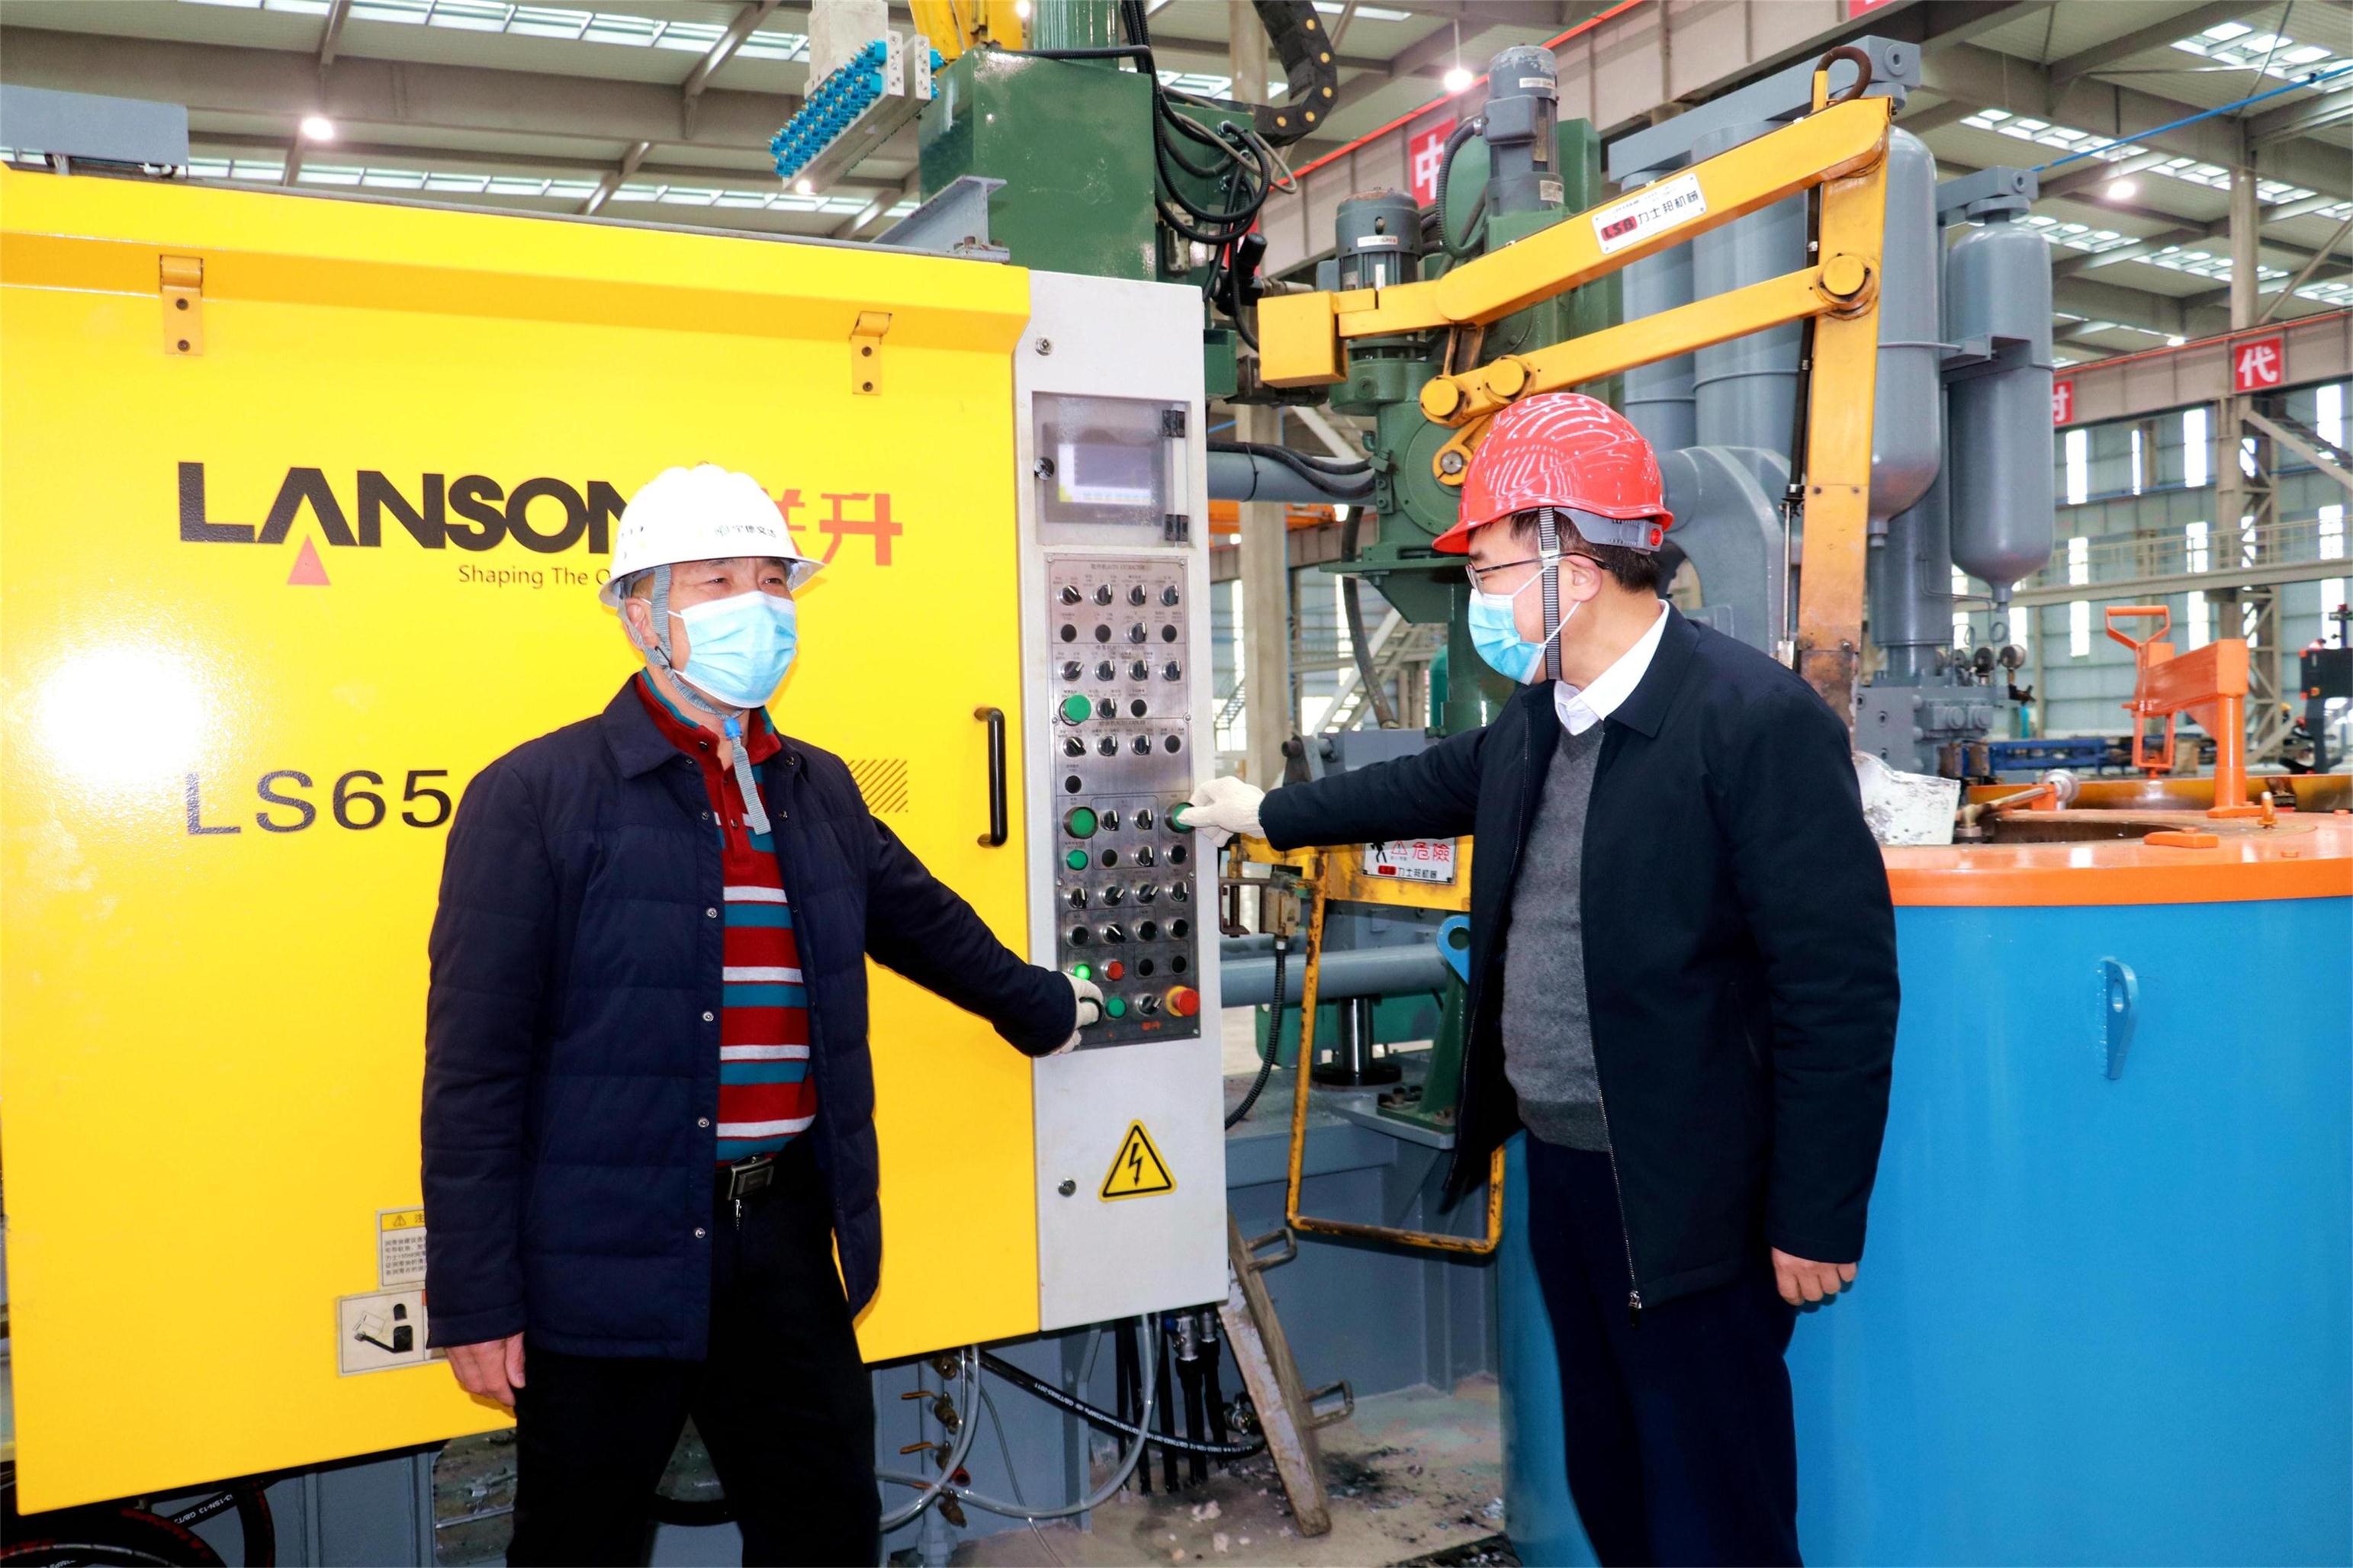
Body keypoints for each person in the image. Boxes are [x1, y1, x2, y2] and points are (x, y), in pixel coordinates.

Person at [1184, 394, 1898, 1566]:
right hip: (1564, 1169)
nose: (1479, 593)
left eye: (1487, 565)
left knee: (1710, 1499)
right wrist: (1267, 813)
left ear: (1571, 557)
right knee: (1609, 1472)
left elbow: (1839, 990)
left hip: (1691, 1184)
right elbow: (1422, 783)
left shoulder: (1751, 722)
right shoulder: (1540, 719)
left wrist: (1815, 1214)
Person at [420, 463, 1101, 1567]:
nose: (758, 605)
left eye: (774, 580)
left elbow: (923, 922)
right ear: (640, 615)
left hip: (780, 1231)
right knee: (581, 1543)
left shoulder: (814, 788)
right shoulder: (537, 794)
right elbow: (474, 1067)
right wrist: (476, 1295)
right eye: (717, 579)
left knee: (823, 1529)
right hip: (604, 1242)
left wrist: (1046, 1008)